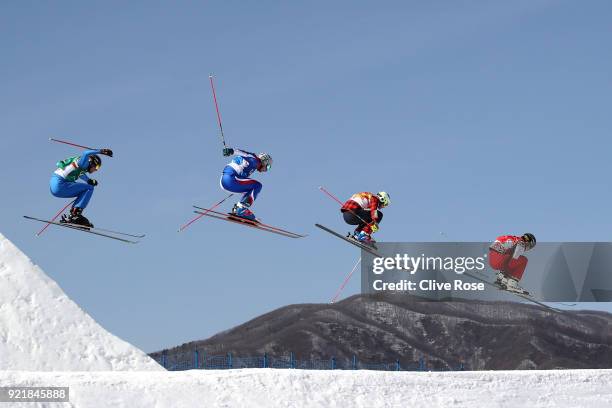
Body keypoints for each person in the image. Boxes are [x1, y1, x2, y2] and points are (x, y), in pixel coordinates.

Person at [50, 148, 113, 227]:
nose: (96, 170)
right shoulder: (84, 163)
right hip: (60, 183)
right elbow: (86, 153)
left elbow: (80, 174)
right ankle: (74, 215)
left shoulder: (81, 167)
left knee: (84, 189)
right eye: (96, 167)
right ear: (92, 163)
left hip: (55, 186)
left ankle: (74, 215)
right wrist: (101, 151)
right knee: (89, 188)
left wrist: (88, 180)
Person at [220, 147, 272, 221]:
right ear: (265, 161)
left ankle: (238, 208)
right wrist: (231, 151)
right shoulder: (255, 160)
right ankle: (242, 210)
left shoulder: (252, 161)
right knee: (257, 186)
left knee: (250, 189)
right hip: (231, 179)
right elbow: (243, 154)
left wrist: (231, 151)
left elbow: (242, 154)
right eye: (268, 166)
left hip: (224, 181)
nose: (266, 169)